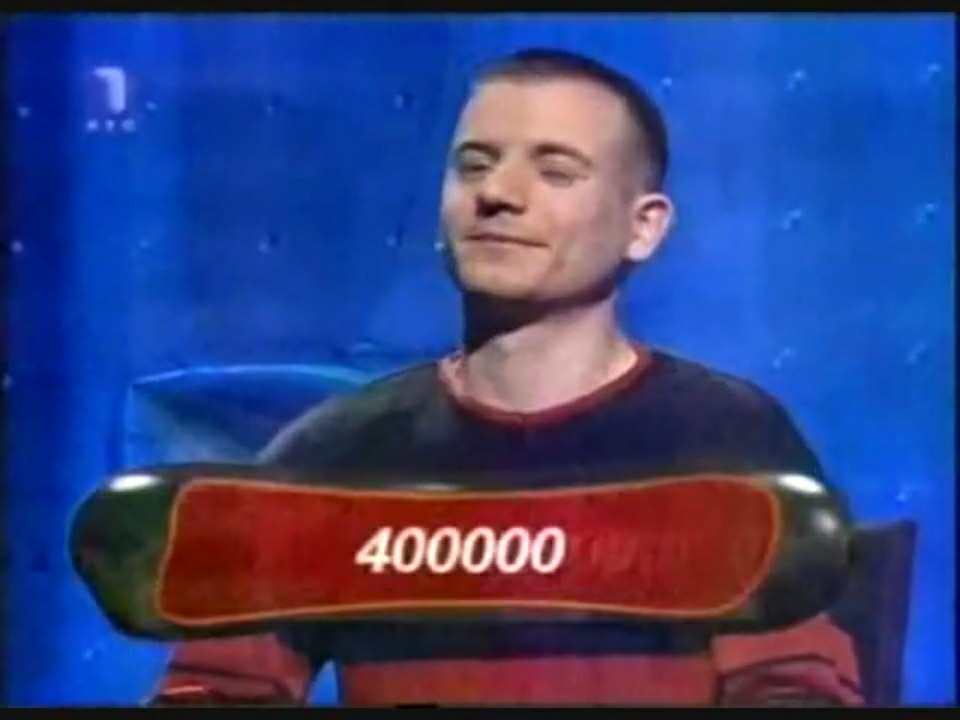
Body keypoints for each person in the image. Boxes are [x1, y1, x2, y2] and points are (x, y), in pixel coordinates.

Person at [148, 47, 863, 707]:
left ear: (643, 227)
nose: (497, 193)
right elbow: (217, 689)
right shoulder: (338, 455)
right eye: (473, 165)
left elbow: (795, 689)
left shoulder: (727, 440)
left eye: (556, 171)